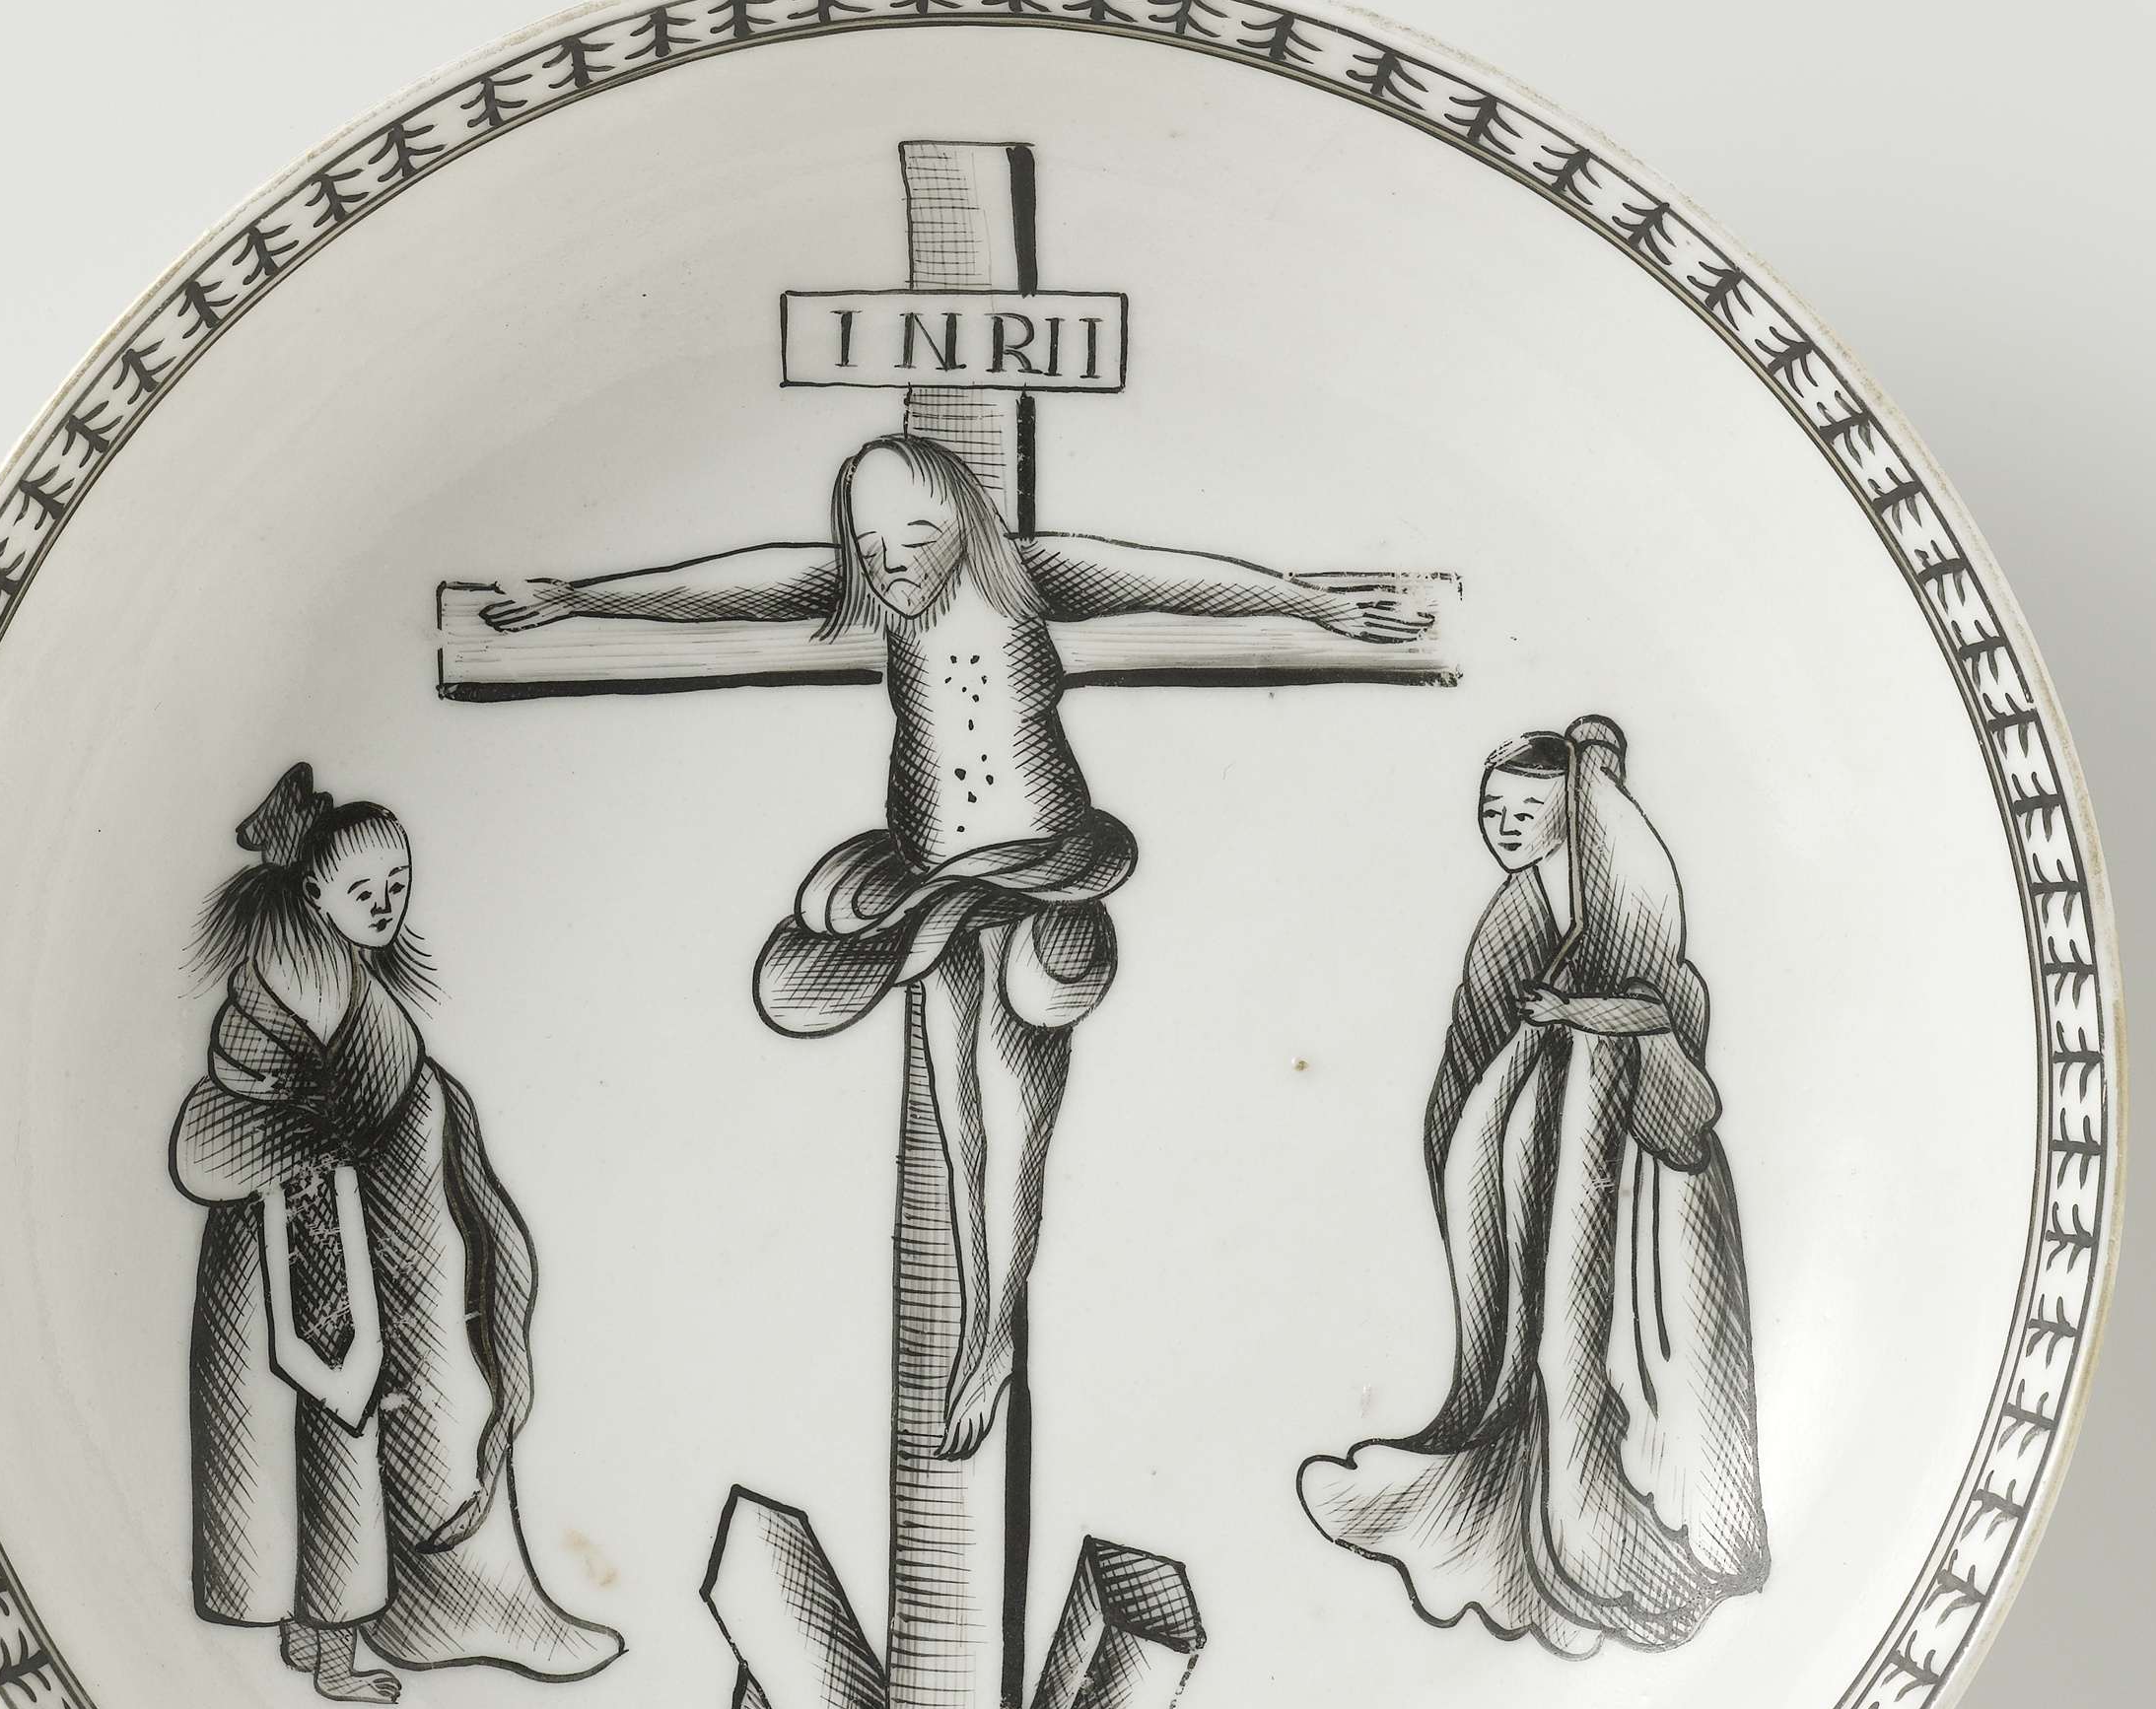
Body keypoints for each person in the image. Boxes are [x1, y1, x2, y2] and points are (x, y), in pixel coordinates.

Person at [473, 434, 1443, 1456]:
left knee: (1017, 1097)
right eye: (868, 543)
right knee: (960, 1123)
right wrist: (578, 598)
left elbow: (1176, 580)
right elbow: (729, 586)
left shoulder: (1028, 576)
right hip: (934, 896)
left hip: (1042, 877)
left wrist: (1311, 605)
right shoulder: (874, 599)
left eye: (917, 533)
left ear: (966, 523)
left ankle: (994, 1331)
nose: (891, 560)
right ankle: (987, 1323)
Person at [1297, 717, 1770, 1654]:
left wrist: (1571, 1013)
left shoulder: (1626, 904)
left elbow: (1663, 1011)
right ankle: (1530, 1490)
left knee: (1629, 1357)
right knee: (1550, 1348)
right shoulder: (1524, 913)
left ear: (1573, 812)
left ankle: (1624, 1528)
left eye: (1527, 809)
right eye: (1492, 810)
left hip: (1637, 1190)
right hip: (1560, 1179)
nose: (1505, 826)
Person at [170, 764, 622, 1703]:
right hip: (296, 1241)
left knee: (291, 1435)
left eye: (398, 885)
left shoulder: (324, 967)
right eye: (363, 891)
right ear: (315, 895)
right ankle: (331, 1657)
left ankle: (312, 1640)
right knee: (328, 1437)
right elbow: (287, 1116)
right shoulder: (305, 971)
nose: (385, 906)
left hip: (279, 1240)